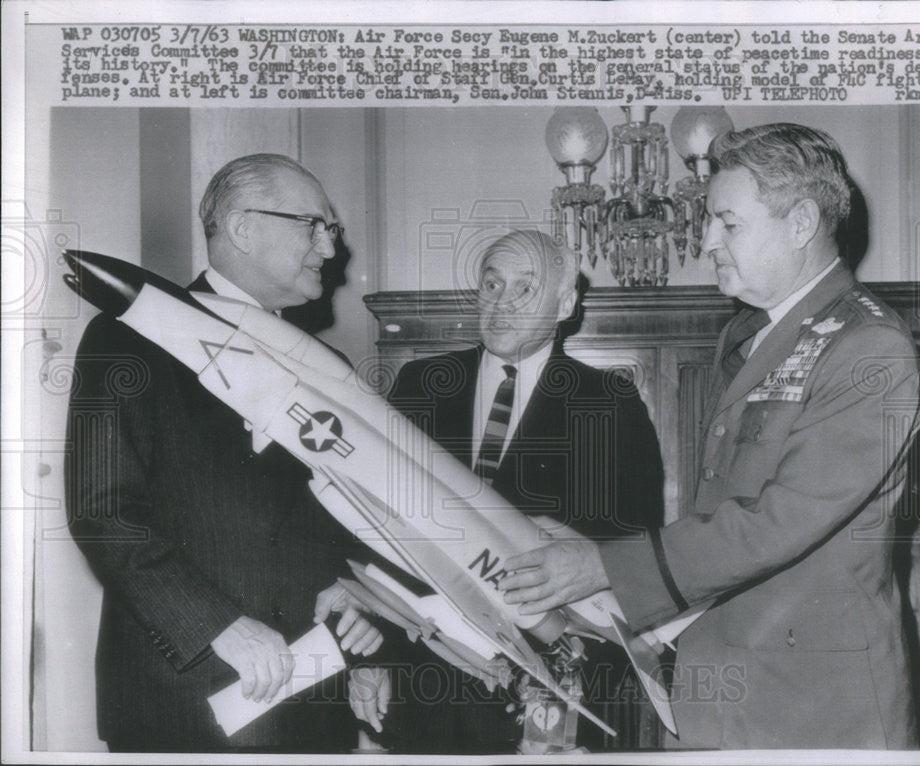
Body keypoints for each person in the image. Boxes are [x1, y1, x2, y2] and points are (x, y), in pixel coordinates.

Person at [500, 124, 920, 749]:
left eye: (728, 223)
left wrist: (604, 566)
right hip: (723, 683)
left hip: (816, 705)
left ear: (801, 223)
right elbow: (719, 510)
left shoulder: (870, 348)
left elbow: (774, 521)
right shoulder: (750, 335)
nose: (706, 242)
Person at [65, 154, 384, 752]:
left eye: (332, 229)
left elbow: (346, 526)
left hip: (312, 709)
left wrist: (361, 605)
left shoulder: (332, 372)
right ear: (242, 229)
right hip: (179, 709)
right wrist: (220, 626)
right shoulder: (129, 337)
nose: (330, 248)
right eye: (312, 225)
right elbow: (104, 513)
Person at [375, 229, 664, 752]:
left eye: (524, 289)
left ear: (566, 302)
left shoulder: (609, 403)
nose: (502, 303)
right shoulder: (420, 384)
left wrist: (568, 687)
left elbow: (631, 553)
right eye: (491, 284)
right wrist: (373, 660)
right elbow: (375, 525)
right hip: (423, 684)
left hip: (543, 691)